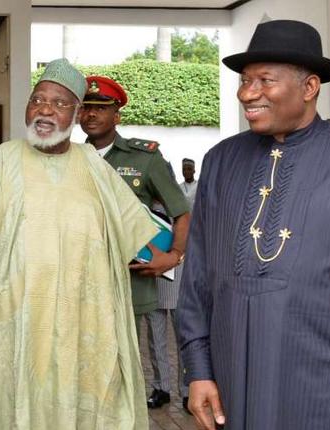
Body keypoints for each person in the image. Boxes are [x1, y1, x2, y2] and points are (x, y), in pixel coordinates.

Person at [178, 20, 330, 430]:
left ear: (309, 88)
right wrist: (198, 370)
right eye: (244, 80)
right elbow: (198, 276)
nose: (246, 93)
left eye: (264, 80)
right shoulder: (221, 161)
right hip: (233, 396)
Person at [0, 58, 158, 429]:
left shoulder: (97, 170)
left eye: (60, 103)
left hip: (81, 330)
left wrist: (174, 254)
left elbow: (134, 236)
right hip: (8, 329)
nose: (45, 110)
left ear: (77, 114)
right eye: (37, 100)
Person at [79, 75, 191, 410]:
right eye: (86, 107)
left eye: (102, 108)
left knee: (124, 365)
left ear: (117, 115)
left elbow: (181, 212)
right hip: (79, 278)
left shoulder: (145, 158)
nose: (91, 114)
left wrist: (174, 256)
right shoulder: (69, 157)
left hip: (128, 281)